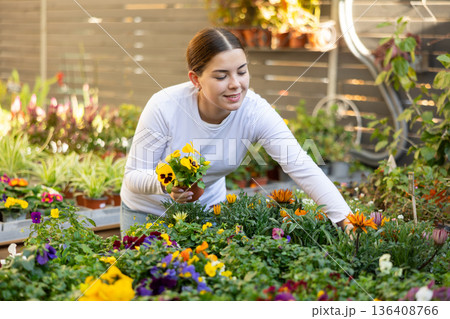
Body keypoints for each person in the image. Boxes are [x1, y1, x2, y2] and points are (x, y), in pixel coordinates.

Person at [120, 27, 352, 233]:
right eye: (222, 76)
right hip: (147, 212)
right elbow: (133, 176)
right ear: (195, 79)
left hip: (207, 211)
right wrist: (166, 183)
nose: (235, 84)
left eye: (241, 72)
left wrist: (346, 221)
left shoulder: (254, 112)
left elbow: (300, 164)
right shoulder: (165, 106)